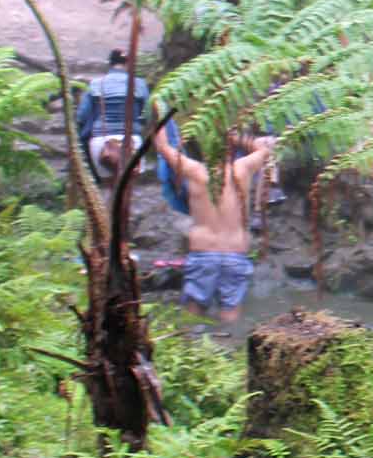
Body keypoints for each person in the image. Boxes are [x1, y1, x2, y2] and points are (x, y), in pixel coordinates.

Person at [151, 130, 275, 324]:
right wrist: (238, 138)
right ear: (231, 150)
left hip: (203, 255)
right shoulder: (242, 168)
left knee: (192, 318)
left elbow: (163, 147)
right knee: (230, 317)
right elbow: (267, 147)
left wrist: (159, 114)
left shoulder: (195, 170)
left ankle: (193, 350)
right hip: (235, 255)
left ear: (205, 151)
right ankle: (229, 349)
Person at [73, 50, 150, 181]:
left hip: (101, 142)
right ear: (128, 63)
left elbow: (81, 116)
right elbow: (149, 113)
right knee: (128, 185)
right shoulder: (139, 84)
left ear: (110, 64)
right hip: (132, 140)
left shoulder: (96, 83)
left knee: (109, 185)